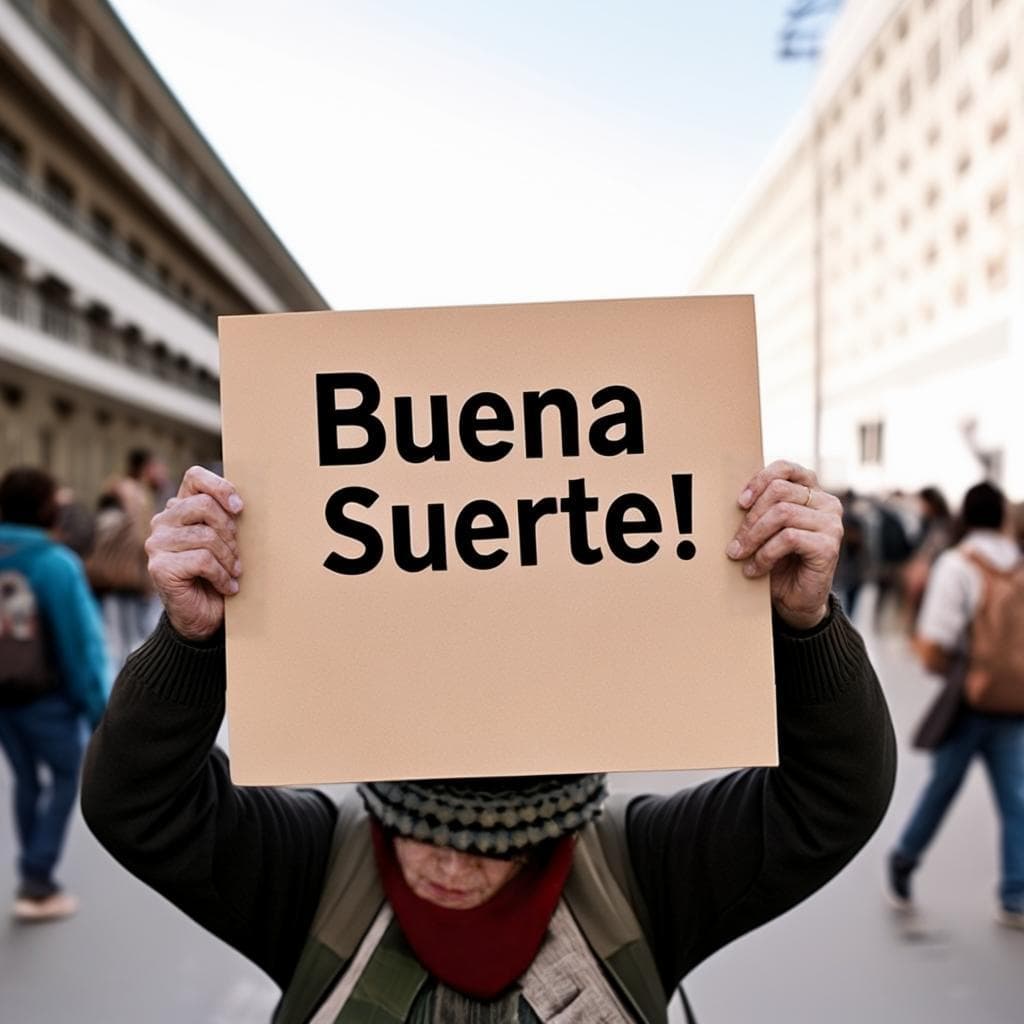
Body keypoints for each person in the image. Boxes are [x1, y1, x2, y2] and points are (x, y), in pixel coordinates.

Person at [82, 461, 896, 1021]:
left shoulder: (645, 873)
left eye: (491, 844)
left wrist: (805, 628)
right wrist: (193, 645)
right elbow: (138, 805)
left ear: (555, 829)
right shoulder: (313, 872)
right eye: (419, 830)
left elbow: (831, 798)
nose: (446, 865)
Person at [887, 481, 1024, 929]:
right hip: (1014, 699)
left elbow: (937, 640)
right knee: (1017, 799)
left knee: (942, 787)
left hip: (969, 698)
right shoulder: (1018, 563)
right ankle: (1015, 894)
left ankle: (905, 859)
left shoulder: (958, 564)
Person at [0, 467, 110, 921]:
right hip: (48, 699)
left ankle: (33, 873)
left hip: (4, 699)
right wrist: (99, 712)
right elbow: (80, 646)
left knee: (27, 780)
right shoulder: (55, 562)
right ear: (48, 508)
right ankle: (38, 879)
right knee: (67, 778)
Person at [86, 448, 162, 669]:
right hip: (126, 575)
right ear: (146, 467)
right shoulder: (135, 493)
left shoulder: (117, 487)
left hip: (115, 577)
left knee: (118, 637)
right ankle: (122, 688)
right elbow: (142, 537)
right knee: (124, 640)